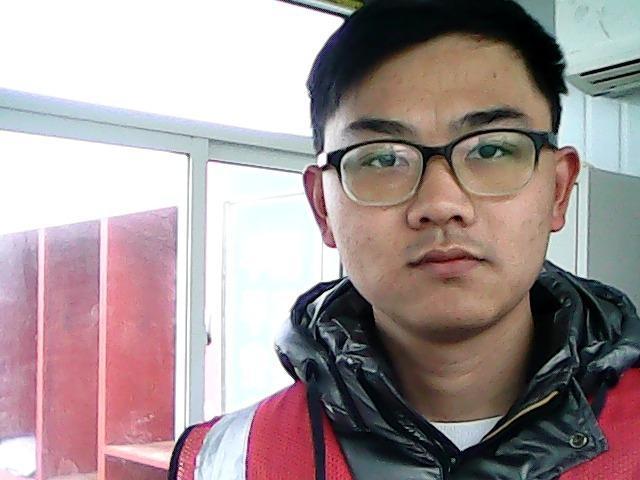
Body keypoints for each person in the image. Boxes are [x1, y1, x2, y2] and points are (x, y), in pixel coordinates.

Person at [168, 0, 640, 478]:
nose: (441, 203)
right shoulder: (228, 460)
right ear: (323, 206)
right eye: (382, 159)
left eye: (491, 149)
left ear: (558, 190)